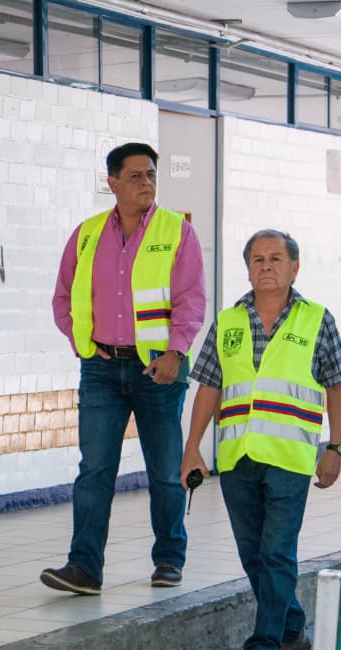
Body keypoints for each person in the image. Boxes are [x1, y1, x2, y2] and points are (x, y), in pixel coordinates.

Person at [43, 142, 206, 595]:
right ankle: (84, 569)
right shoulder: (88, 234)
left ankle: (169, 559)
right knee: (95, 469)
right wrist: (81, 344)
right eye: (135, 175)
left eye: (151, 174)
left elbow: (191, 299)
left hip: (160, 370)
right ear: (112, 182)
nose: (146, 182)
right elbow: (63, 297)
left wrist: (175, 352)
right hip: (100, 370)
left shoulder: (177, 231)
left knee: (164, 468)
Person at [181, 230, 341, 650]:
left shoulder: (317, 319)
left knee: (277, 553)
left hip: (290, 459)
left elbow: (337, 386)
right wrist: (192, 450)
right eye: (257, 259)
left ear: (295, 268)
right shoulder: (229, 321)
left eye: (276, 258)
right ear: (247, 269)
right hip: (238, 457)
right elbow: (208, 387)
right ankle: (292, 628)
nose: (267, 266)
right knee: (253, 554)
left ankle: (267, 641)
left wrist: (334, 448)